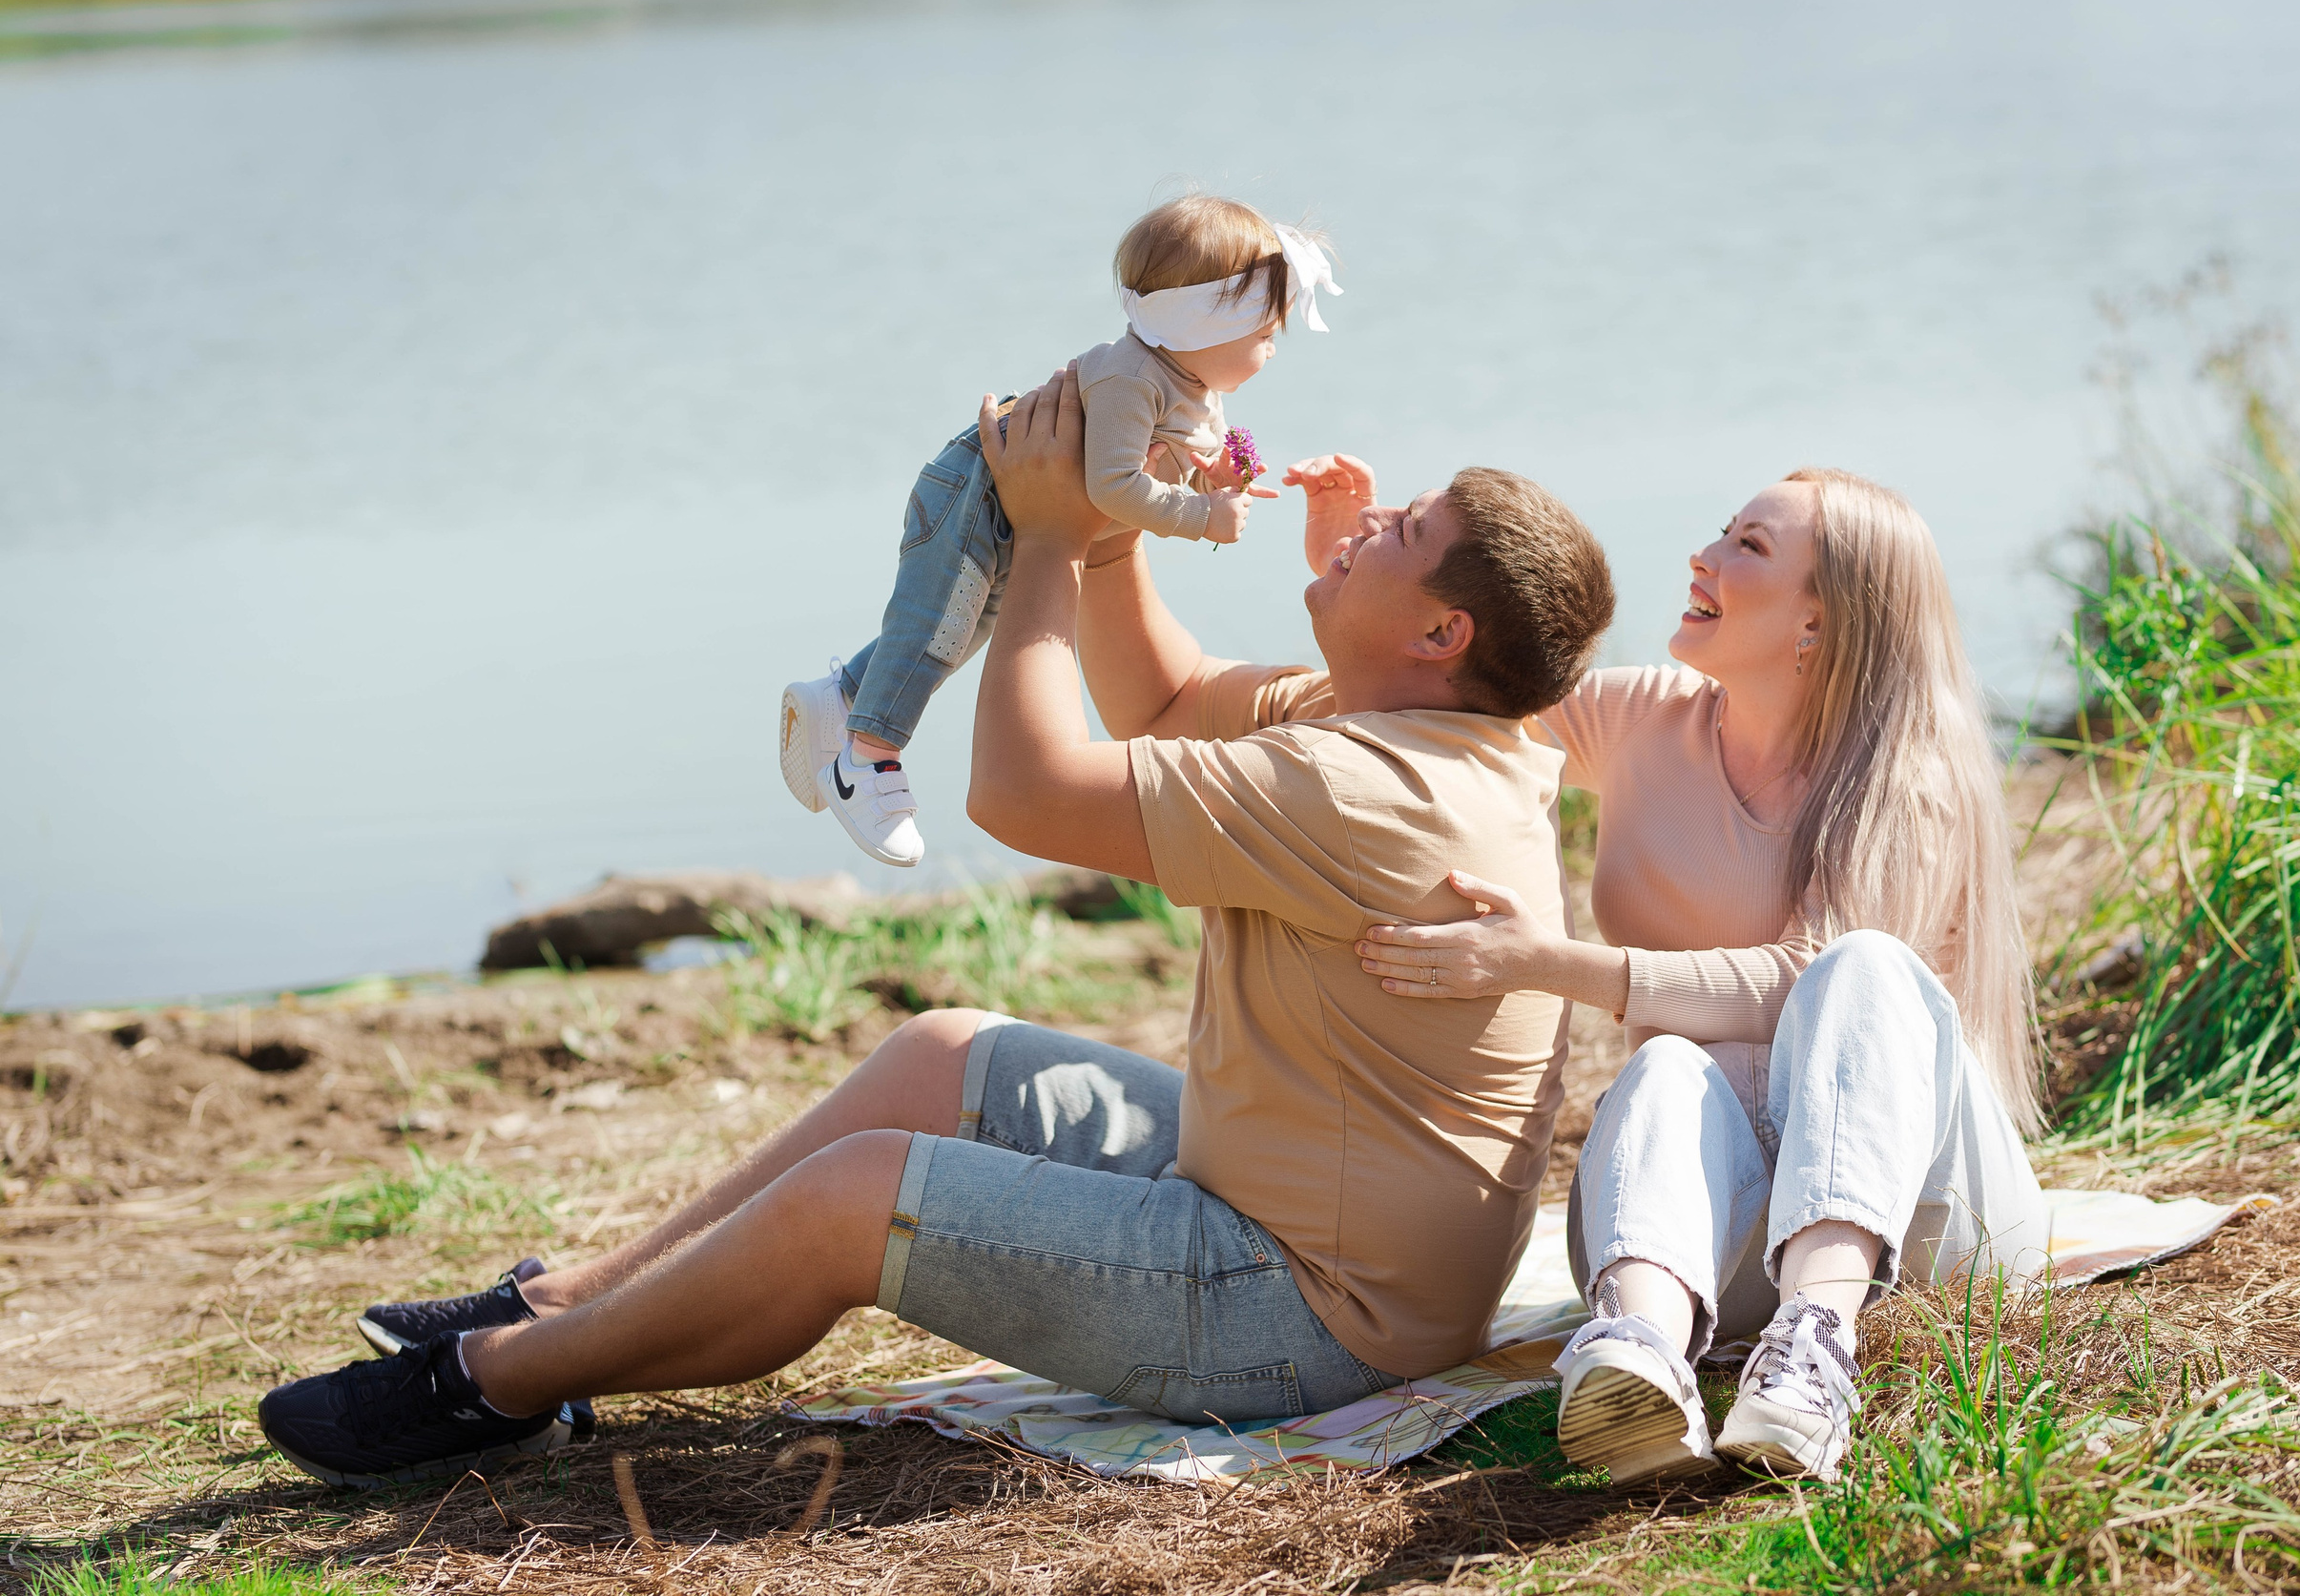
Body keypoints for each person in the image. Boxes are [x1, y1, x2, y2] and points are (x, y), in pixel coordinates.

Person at [253, 369, 1617, 1490]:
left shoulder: (1368, 784)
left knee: (867, 1192)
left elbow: (1023, 790)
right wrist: (1115, 511)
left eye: (1402, 531)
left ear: (1440, 628)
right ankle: (565, 1302)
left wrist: (1033, 541)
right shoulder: (1395, 727)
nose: (1363, 521)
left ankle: (494, 1387)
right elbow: (1162, 694)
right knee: (945, 1053)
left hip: (1308, 1317)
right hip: (1286, 1206)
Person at [1272, 459, 2048, 1486]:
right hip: (1733, 1236)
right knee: (1662, 1069)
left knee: (1861, 966)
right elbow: (1441, 699)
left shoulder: (1904, 776)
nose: (1702, 554)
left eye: (1748, 546)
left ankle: (1819, 1340)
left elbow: (1797, 981)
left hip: (1922, 1218)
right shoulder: (1646, 718)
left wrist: (1543, 962)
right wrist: (1356, 569)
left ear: (1817, 624)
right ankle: (1637, 1357)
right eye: (1723, 530)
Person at [776, 194, 1336, 869]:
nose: (1272, 349)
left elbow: (1148, 466)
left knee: (965, 629)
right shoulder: (1134, 378)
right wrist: (1202, 519)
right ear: (1202, 326)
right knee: (939, 628)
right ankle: (864, 759)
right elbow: (1115, 488)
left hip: (1016, 503)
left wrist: (1203, 480)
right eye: (1265, 332)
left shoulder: (1187, 383)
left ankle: (838, 696)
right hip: (975, 492)